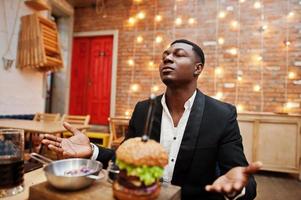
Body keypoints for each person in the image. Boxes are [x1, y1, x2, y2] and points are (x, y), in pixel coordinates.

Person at [42, 39, 262, 200]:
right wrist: (92, 150)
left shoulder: (222, 115)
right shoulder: (143, 109)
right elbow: (124, 160)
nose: (167, 58)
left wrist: (237, 187)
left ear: (198, 68)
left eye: (178, 54)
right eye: (165, 55)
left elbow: (241, 178)